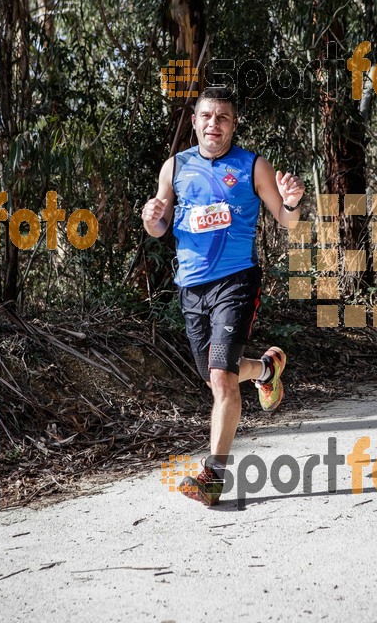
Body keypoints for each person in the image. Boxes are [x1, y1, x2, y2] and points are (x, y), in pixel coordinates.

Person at [141, 87, 305, 506]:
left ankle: (213, 475)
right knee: (213, 371)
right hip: (190, 286)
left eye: (223, 118)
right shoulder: (175, 167)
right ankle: (267, 369)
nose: (214, 124)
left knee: (221, 379)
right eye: (207, 117)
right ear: (195, 121)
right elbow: (159, 226)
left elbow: (286, 222)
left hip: (236, 280)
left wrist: (292, 204)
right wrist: (152, 219)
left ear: (234, 125)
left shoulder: (253, 166)